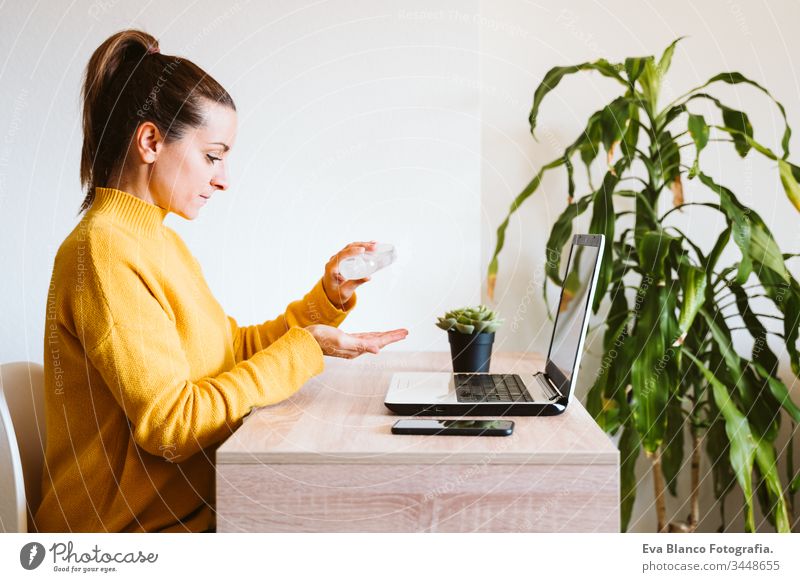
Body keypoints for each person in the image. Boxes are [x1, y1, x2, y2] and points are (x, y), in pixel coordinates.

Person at [34, 29, 408, 533]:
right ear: (150, 141)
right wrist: (303, 350)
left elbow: (229, 352)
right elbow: (172, 426)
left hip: (196, 511)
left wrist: (325, 302)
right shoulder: (103, 250)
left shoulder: (157, 241)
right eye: (213, 155)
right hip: (129, 538)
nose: (224, 178)